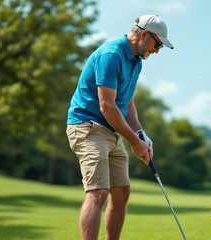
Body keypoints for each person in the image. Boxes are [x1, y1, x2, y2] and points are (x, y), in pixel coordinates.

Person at [66, 15, 173, 240]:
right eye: (157, 44)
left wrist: (140, 133)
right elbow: (107, 106)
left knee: (122, 192)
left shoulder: (136, 61)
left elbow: (127, 102)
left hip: (112, 130)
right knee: (98, 192)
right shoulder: (111, 55)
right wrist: (134, 142)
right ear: (144, 34)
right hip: (88, 127)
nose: (157, 51)